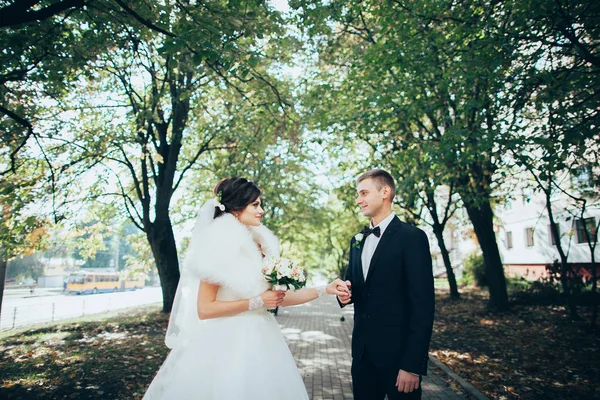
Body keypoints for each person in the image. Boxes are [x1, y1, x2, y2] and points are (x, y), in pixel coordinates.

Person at [143, 177, 350, 400]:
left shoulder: (258, 246)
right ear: (235, 207)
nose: (261, 210)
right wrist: (257, 302)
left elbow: (279, 297)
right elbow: (204, 309)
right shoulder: (218, 245)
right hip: (226, 344)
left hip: (263, 339)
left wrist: (324, 289)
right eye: (255, 205)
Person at [337, 169, 435, 400]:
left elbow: (423, 307)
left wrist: (412, 365)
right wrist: (344, 294)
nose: (358, 200)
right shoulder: (357, 240)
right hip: (362, 357)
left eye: (363, 193)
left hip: (399, 359)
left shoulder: (412, 238)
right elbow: (355, 285)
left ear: (385, 192)